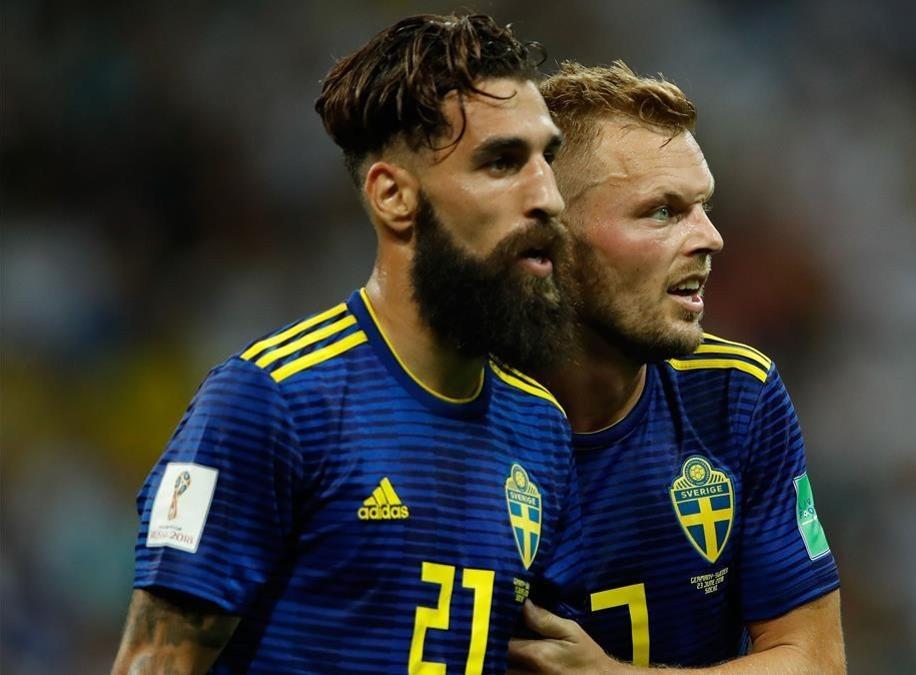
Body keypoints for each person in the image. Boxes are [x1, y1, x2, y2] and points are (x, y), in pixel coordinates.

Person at [111, 14, 579, 674]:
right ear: (393, 195)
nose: (548, 197)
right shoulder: (272, 402)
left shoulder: (541, 428)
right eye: (502, 162)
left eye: (547, 159)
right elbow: (155, 661)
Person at [507, 62, 845, 674]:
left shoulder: (736, 395)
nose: (711, 238)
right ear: (549, 238)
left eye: (703, 207)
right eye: (662, 212)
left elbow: (816, 660)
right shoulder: (446, 412)